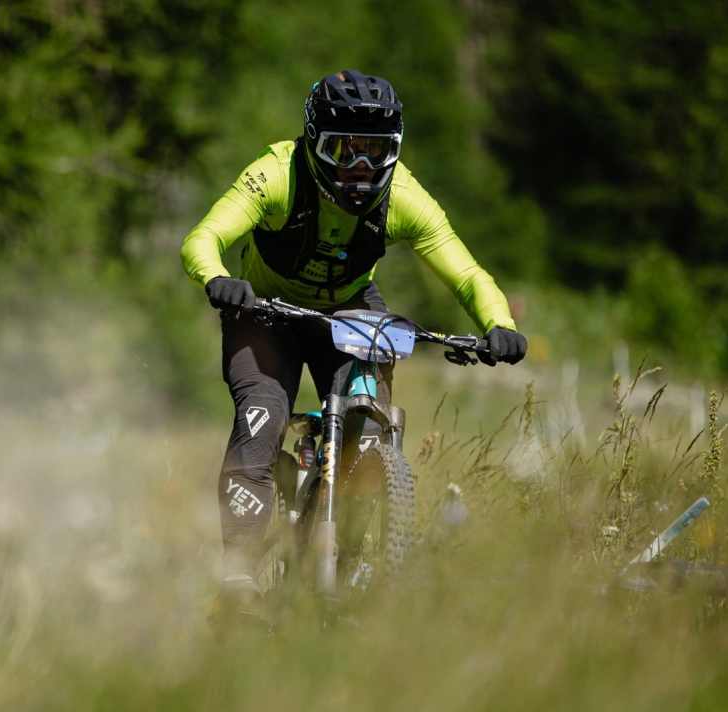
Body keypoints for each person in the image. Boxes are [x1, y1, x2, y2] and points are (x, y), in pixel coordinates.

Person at [180, 70, 527, 621]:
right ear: (314, 143)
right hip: (265, 311)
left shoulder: (405, 196)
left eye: (375, 153)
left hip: (350, 309)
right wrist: (217, 279)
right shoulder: (276, 175)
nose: (360, 170)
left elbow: (466, 272)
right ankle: (238, 576)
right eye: (344, 151)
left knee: (371, 429)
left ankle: (352, 558)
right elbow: (202, 239)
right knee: (262, 418)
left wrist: (498, 322)